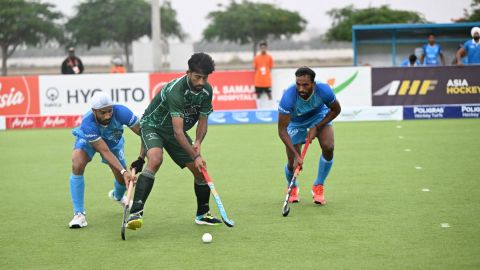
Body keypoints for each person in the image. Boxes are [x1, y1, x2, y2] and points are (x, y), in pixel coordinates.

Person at [126, 52, 222, 230]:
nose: (201, 82)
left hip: (174, 131)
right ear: (188, 73)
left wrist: (198, 142)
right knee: (155, 158)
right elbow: (179, 132)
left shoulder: (206, 90)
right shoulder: (176, 91)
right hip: (153, 125)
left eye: (205, 78)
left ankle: (202, 215)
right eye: (197, 77)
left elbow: (203, 120)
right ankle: (135, 212)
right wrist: (195, 156)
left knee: (200, 172)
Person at [68, 91, 140, 228]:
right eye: (103, 112)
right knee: (77, 163)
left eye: (109, 111)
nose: (107, 115)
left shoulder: (122, 112)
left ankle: (118, 197)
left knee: (120, 179)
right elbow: (104, 151)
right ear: (94, 111)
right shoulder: (88, 123)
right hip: (89, 141)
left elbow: (142, 131)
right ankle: (79, 214)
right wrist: (124, 171)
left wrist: (143, 155)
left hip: (113, 142)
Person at [278, 67, 341, 205]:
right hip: (295, 122)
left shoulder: (323, 90)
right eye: (298, 84)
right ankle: (292, 186)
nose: (301, 89)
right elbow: (282, 130)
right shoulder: (288, 98)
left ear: (313, 84)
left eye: (305, 85)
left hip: (319, 116)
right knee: (293, 163)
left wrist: (317, 127)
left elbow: (336, 109)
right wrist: (296, 155)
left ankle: (318, 185)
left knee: (328, 147)